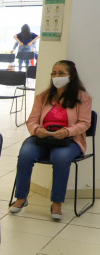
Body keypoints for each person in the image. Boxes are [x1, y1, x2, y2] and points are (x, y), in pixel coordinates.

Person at [11, 60, 92, 221]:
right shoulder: (43, 96)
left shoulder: (83, 98)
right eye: (54, 73)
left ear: (71, 75)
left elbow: (85, 123)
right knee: (26, 155)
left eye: (61, 73)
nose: (57, 76)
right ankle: (21, 198)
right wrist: (37, 130)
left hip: (69, 140)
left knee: (60, 158)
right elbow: (32, 120)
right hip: (42, 138)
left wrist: (66, 131)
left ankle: (57, 203)